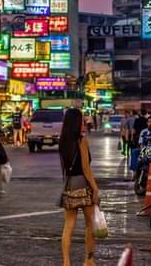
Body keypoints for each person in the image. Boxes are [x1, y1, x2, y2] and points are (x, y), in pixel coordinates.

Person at [58, 108, 99, 266]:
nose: (84, 122)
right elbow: (86, 168)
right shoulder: (81, 140)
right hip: (83, 184)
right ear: (77, 122)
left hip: (69, 184)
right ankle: (88, 260)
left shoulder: (63, 141)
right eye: (82, 120)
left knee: (68, 225)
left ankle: (66, 262)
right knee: (90, 225)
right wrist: (95, 187)